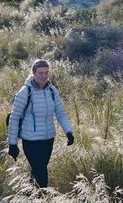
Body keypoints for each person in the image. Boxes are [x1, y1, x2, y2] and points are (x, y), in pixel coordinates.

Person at [6, 58, 75, 189]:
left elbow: (60, 112)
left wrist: (69, 132)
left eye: (46, 73)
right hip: (31, 140)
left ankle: (29, 196)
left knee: (38, 171)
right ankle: (44, 202)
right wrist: (12, 144)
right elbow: (14, 118)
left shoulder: (52, 90)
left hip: (48, 139)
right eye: (40, 73)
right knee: (42, 172)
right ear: (34, 73)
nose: (44, 76)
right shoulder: (25, 92)